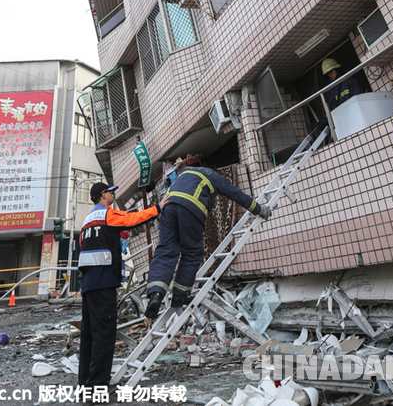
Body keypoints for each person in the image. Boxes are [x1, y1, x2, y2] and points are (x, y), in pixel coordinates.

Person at [145, 155, 272, 319]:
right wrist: (259, 209)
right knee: (191, 253)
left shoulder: (184, 172)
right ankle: (180, 296)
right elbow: (236, 194)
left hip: (168, 209)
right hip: (191, 209)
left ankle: (156, 295)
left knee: (165, 250)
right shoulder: (213, 176)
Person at [78, 182, 165, 388]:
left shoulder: (87, 220)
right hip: (104, 282)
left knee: (89, 335)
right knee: (104, 334)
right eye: (111, 192)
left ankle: (85, 382)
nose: (113, 195)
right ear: (103, 195)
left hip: (89, 285)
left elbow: (88, 246)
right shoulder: (107, 214)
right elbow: (132, 219)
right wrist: (158, 208)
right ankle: (98, 383)